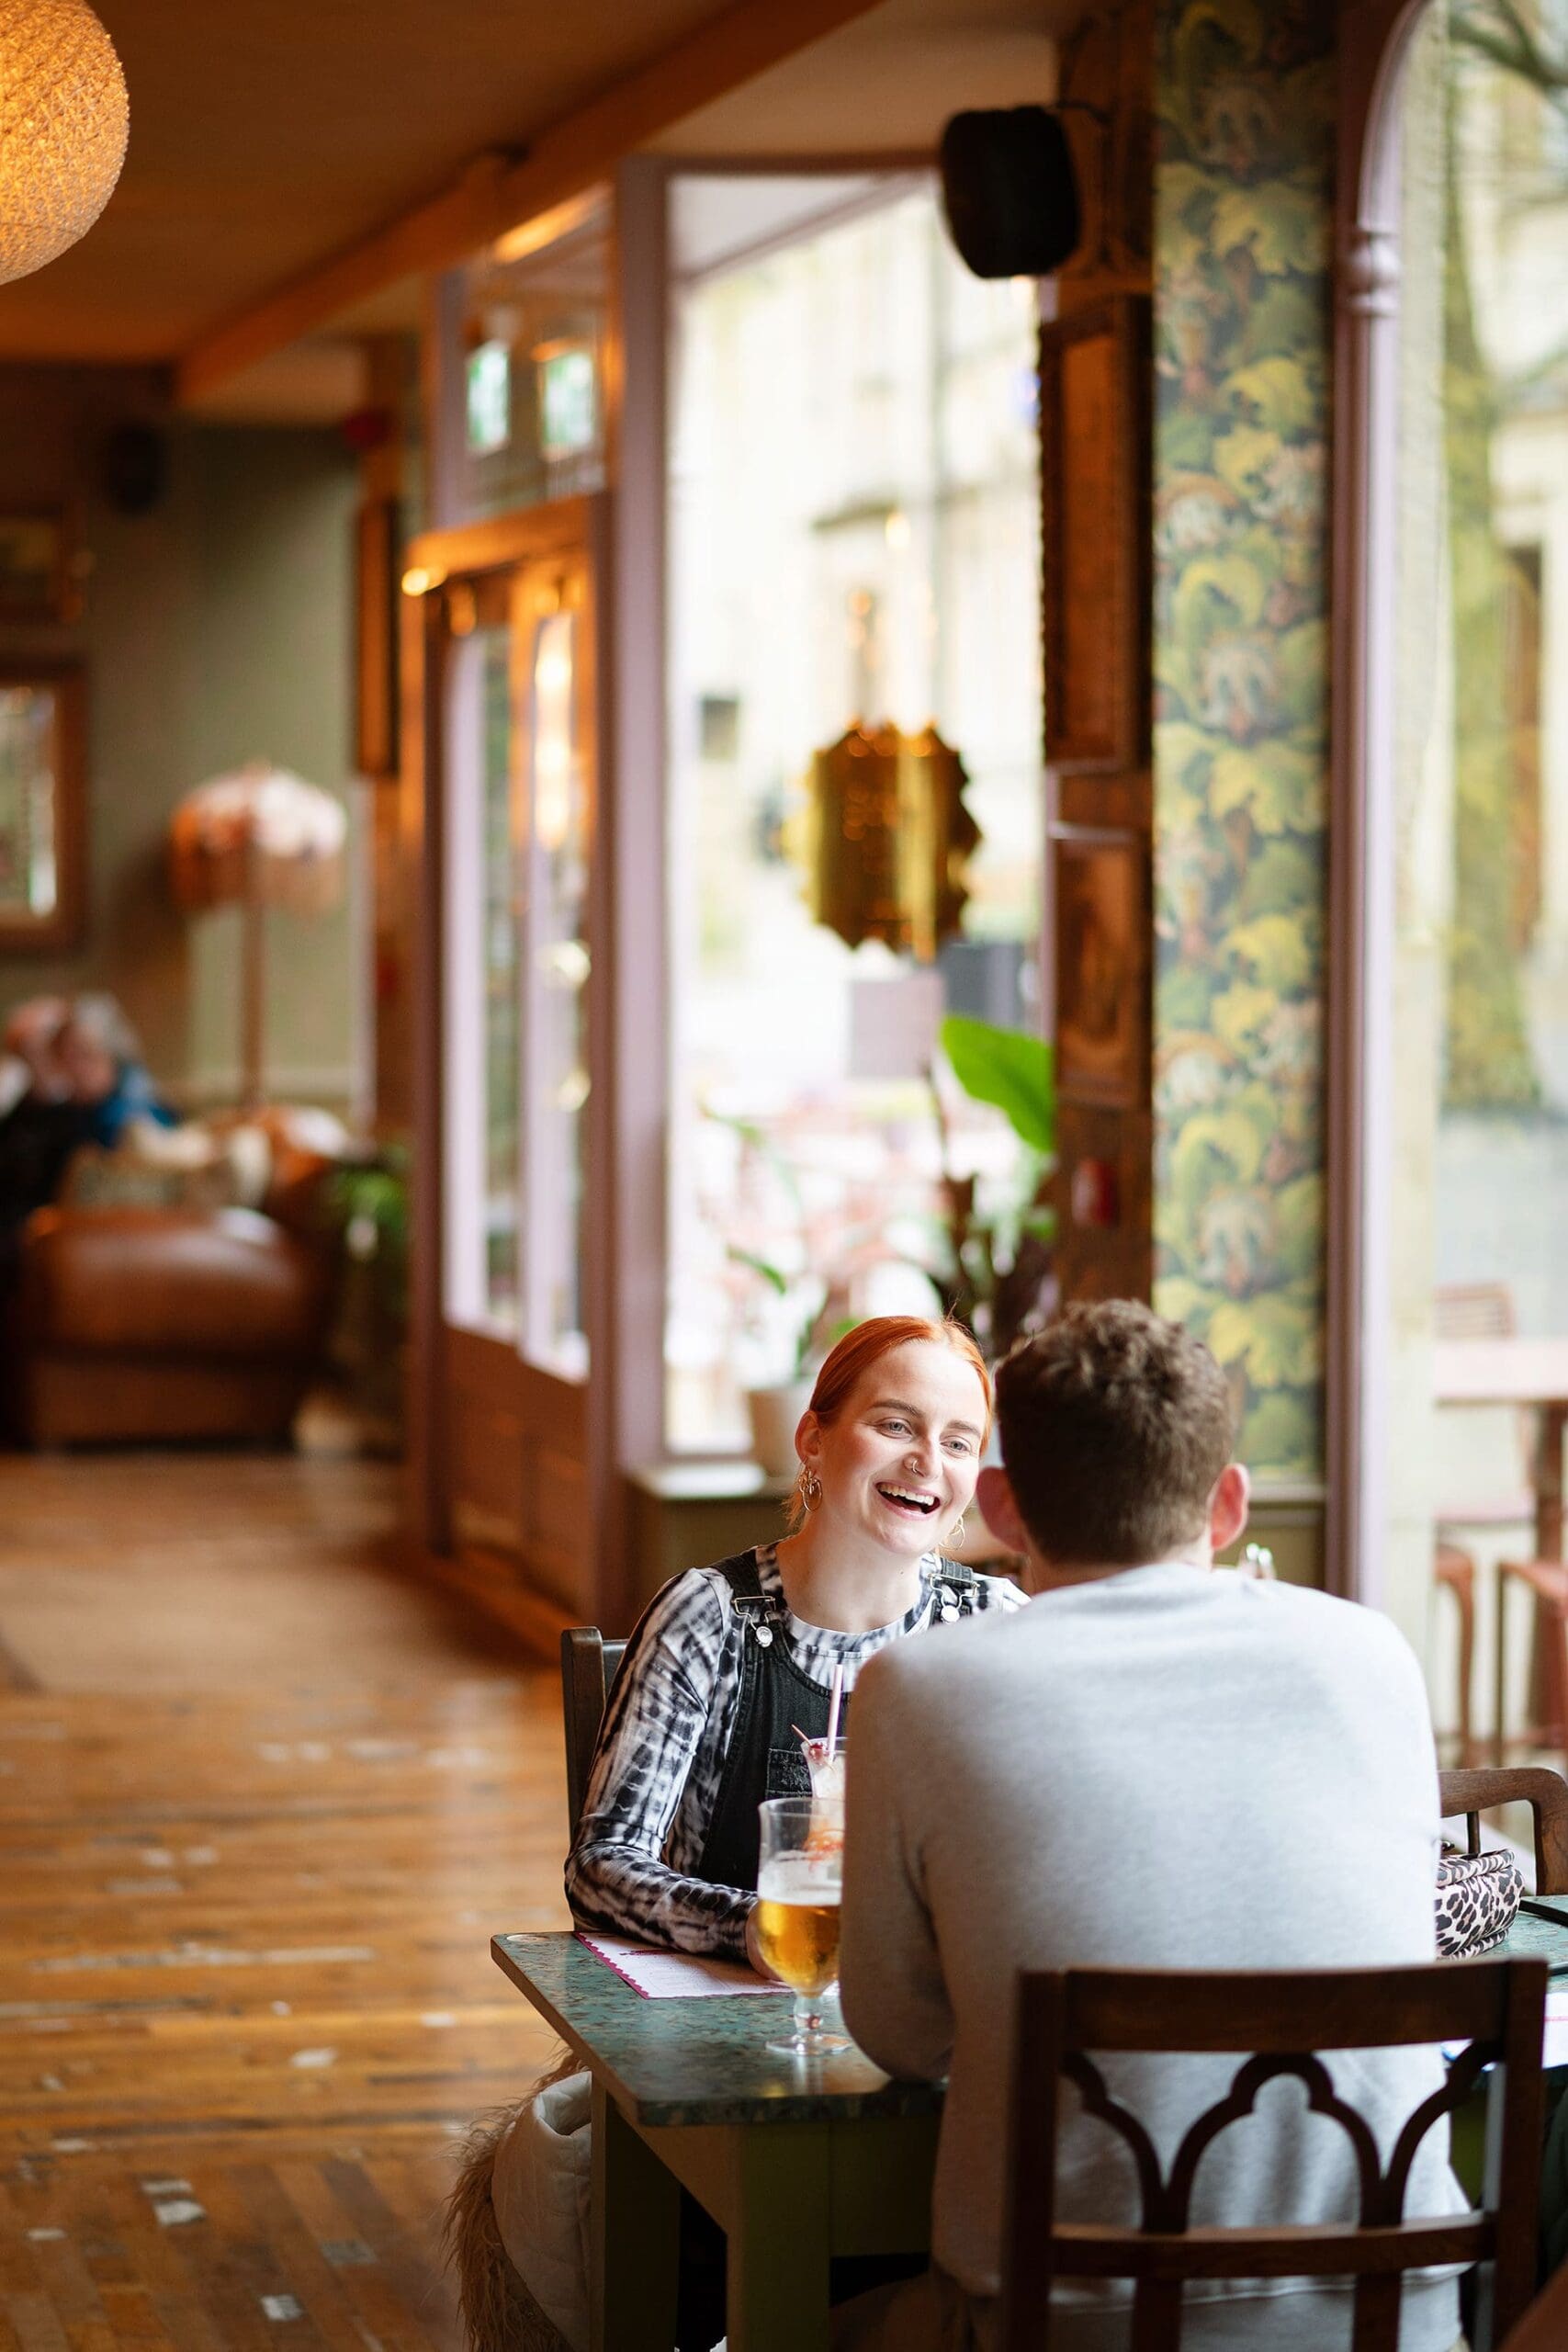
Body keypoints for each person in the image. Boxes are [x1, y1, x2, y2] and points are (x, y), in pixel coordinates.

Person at [835, 1299, 1465, 2352]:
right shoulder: (1374, 1654)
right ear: (1227, 1507)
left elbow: (903, 2035)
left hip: (1069, 2327)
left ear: (999, 1504)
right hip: (1390, 2320)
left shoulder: (918, 1687)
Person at [446, 1313, 1023, 2352]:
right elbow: (602, 1869)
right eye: (895, 1424)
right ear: (814, 1438)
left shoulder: (994, 1626)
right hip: (730, 2074)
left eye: (957, 1440)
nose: (925, 1463)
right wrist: (757, 1926)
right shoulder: (711, 1616)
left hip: (927, 2065)